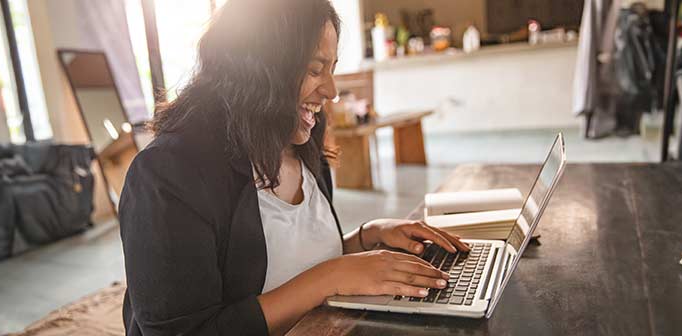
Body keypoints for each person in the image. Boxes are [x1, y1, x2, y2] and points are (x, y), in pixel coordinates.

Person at [119, 0, 469, 335]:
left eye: (331, 69)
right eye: (315, 69)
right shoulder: (166, 175)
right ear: (257, 68)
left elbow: (278, 263)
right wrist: (331, 276)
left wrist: (365, 238)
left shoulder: (301, 141)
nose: (331, 91)